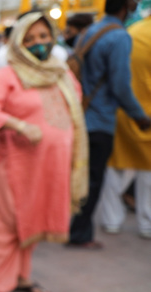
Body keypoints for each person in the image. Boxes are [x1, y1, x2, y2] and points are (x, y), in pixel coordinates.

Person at [0, 12, 88, 292]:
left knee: (32, 222)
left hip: (47, 168)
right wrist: (19, 125)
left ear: (53, 37)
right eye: (31, 38)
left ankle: (21, 278)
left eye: (44, 36)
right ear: (19, 42)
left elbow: (74, 102)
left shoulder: (60, 72)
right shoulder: (6, 75)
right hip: (11, 166)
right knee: (5, 227)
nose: (39, 43)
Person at [67, 0, 151, 249]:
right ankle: (80, 233)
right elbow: (120, 85)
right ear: (127, 7)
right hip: (100, 118)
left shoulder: (91, 31)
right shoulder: (119, 37)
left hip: (82, 113)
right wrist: (139, 116)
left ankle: (81, 227)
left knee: (87, 176)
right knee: (94, 178)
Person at [96, 12, 151, 238]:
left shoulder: (132, 32)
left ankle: (111, 220)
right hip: (143, 112)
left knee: (116, 166)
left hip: (124, 109)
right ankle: (147, 222)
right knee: (149, 173)